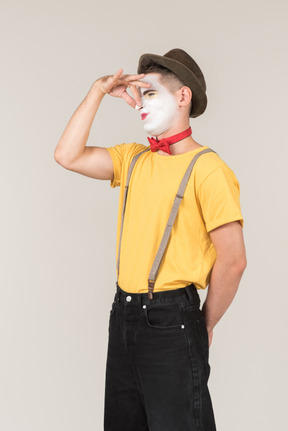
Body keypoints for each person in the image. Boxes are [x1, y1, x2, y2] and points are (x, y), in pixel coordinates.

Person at [54, 48, 247, 431]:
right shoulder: (134, 159)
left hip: (173, 317)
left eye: (152, 93)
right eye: (140, 96)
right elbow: (67, 155)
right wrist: (97, 91)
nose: (141, 104)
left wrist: (203, 323)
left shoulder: (209, 170)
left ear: (183, 97)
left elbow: (234, 259)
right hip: (123, 312)